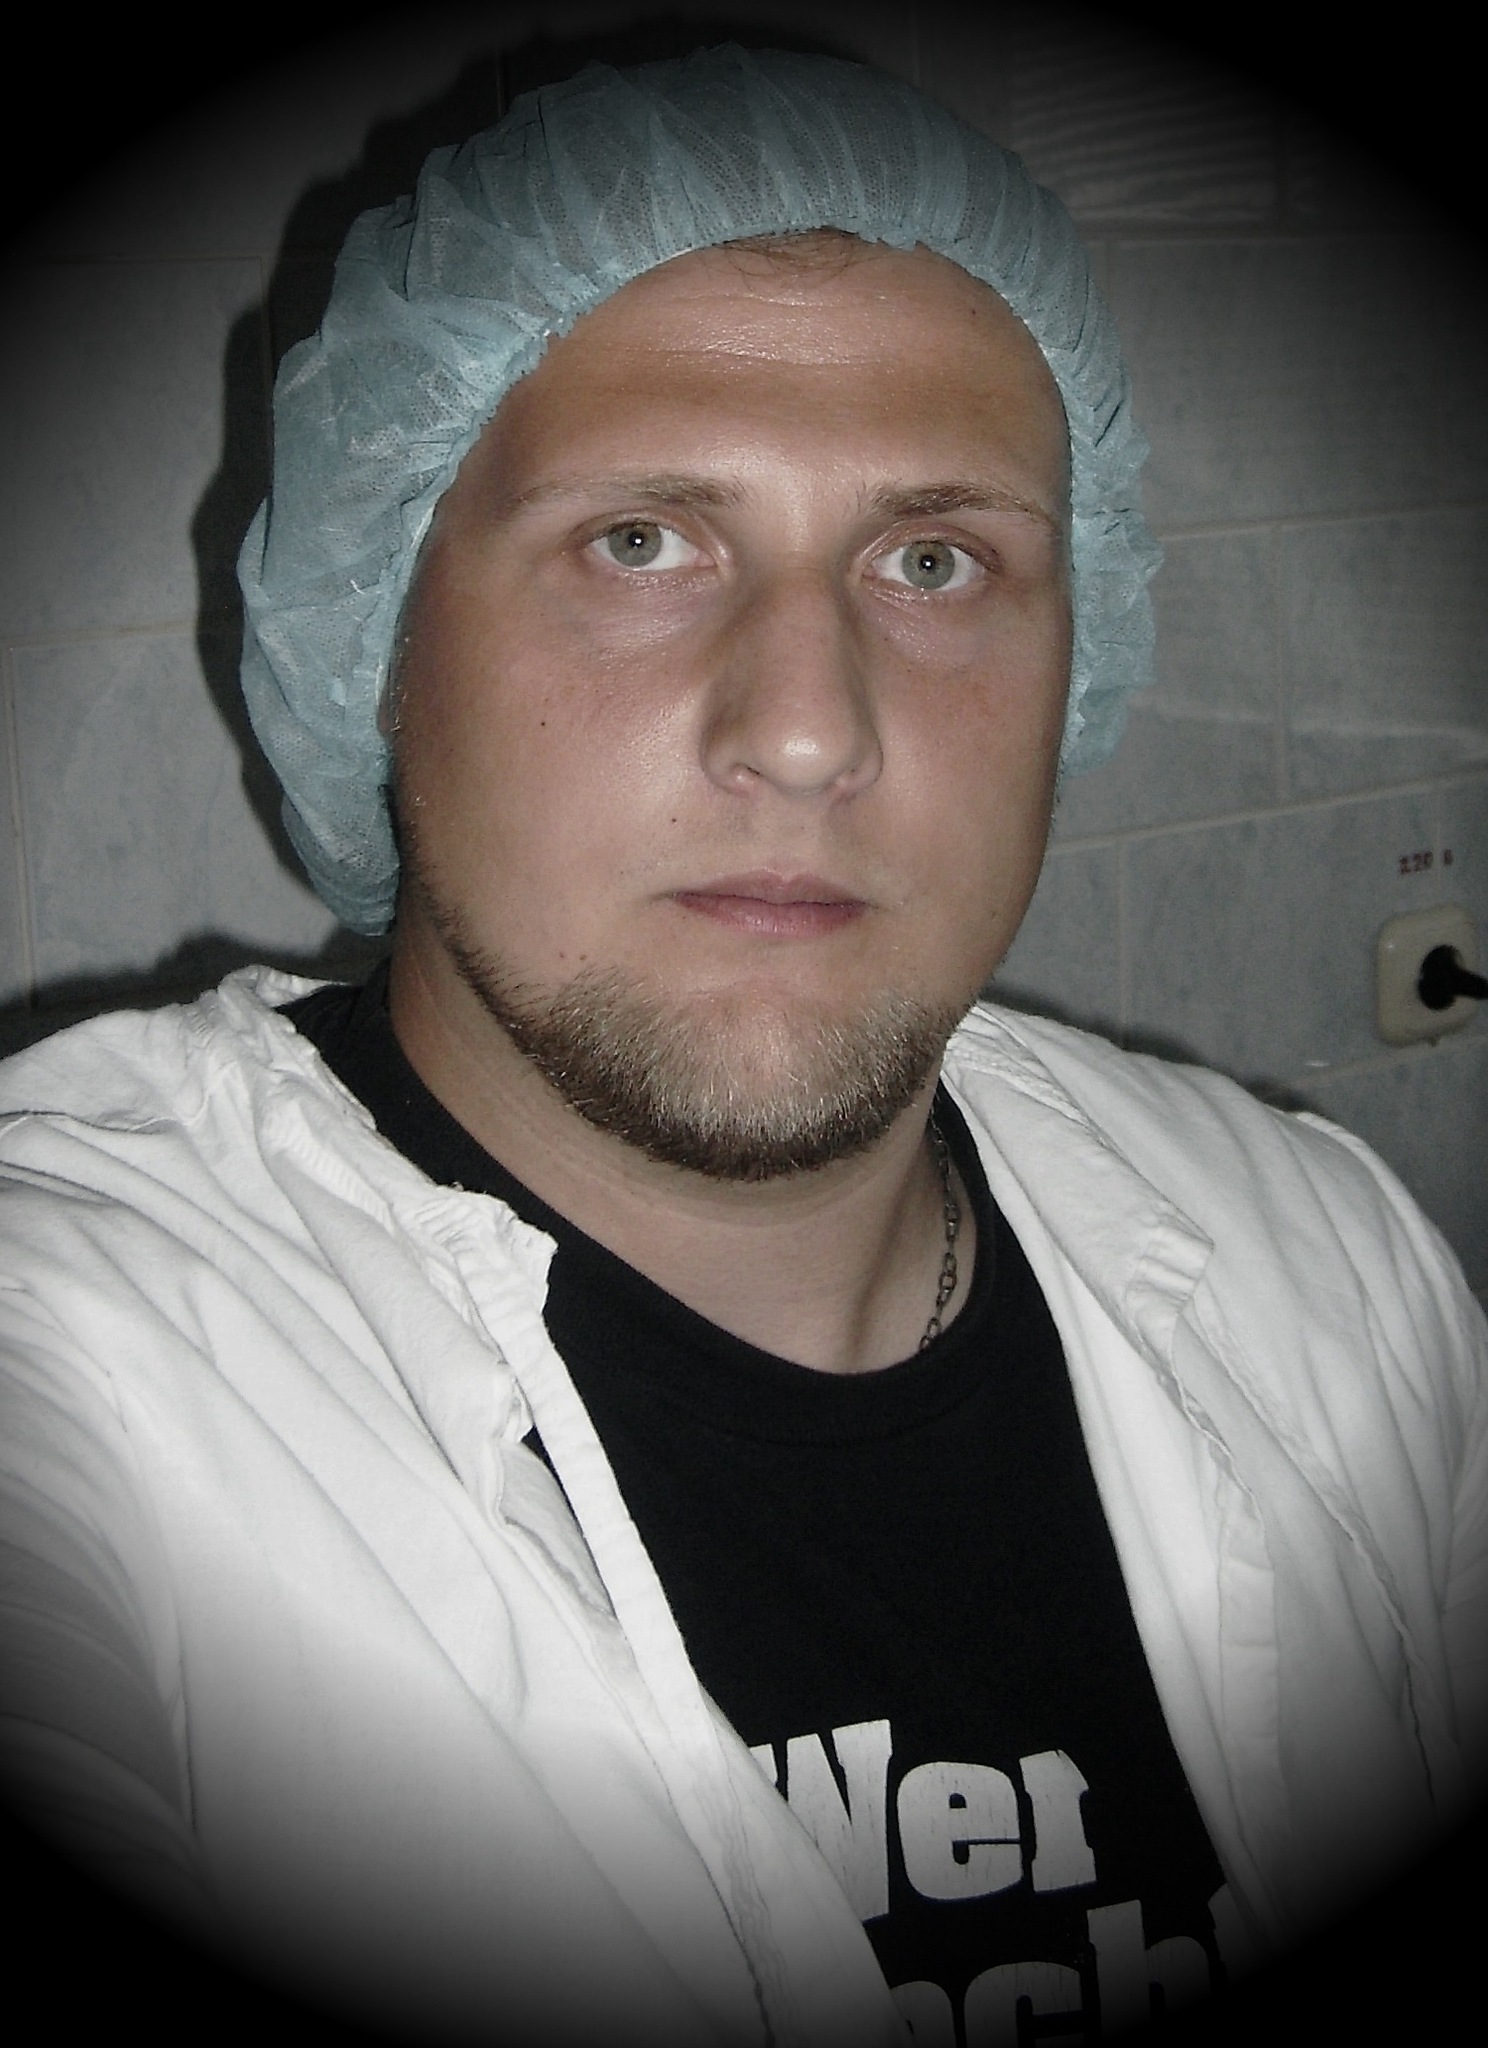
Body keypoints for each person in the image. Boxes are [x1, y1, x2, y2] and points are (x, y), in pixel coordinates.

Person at [1, 44, 1483, 2048]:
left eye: (934, 560)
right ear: (379, 639)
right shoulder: (81, 1357)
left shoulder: (1330, 1268)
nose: (805, 728)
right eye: (640, 541)